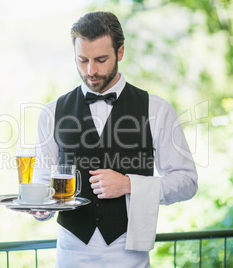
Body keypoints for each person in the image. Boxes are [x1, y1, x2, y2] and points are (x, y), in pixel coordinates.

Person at [30, 11, 198, 267]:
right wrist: (40, 209)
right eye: (82, 60)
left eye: (100, 59)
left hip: (129, 254)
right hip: (71, 254)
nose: (90, 70)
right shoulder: (51, 112)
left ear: (120, 53)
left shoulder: (157, 109)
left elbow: (187, 182)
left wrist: (129, 184)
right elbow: (43, 181)